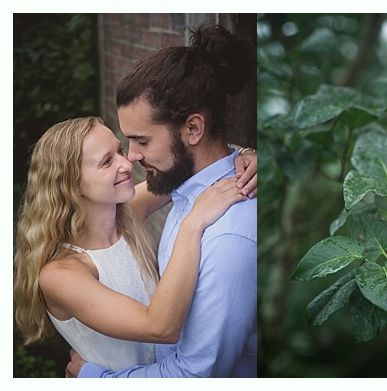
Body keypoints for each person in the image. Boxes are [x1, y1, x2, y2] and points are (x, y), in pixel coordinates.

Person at [66, 24, 258, 377]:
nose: (132, 157)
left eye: (142, 140)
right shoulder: (186, 190)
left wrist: (91, 377)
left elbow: (195, 376)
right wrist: (242, 153)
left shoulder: (227, 237)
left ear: (193, 129)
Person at [12, 117, 252, 373]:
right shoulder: (61, 274)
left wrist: (247, 155)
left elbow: (198, 163)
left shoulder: (126, 215)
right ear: (71, 185)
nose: (127, 164)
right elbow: (160, 327)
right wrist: (193, 225)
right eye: (107, 162)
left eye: (119, 151)